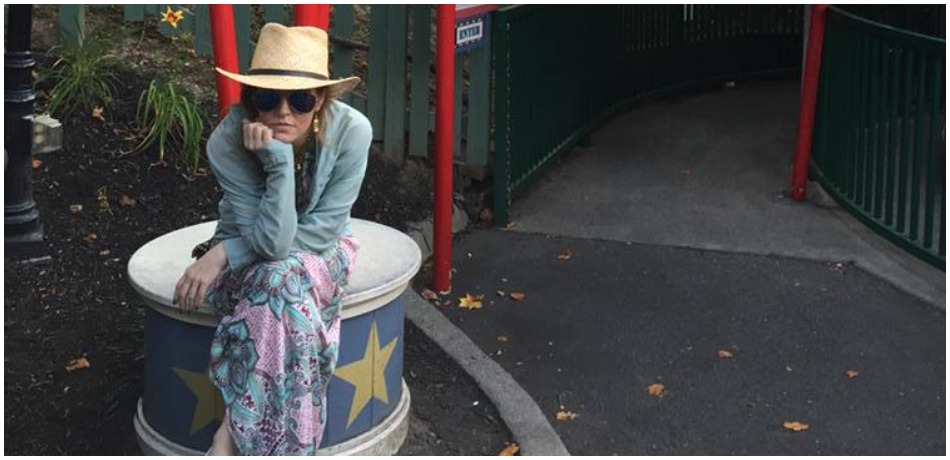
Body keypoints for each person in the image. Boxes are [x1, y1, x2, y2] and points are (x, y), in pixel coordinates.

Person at [172, 23, 371, 456]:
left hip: (323, 250)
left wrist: (224, 253)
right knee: (282, 290)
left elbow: (318, 233)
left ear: (318, 99)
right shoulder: (228, 141)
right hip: (257, 259)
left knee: (280, 282)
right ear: (251, 100)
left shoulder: (353, 132)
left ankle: (229, 431)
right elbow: (270, 243)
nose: (283, 112)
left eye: (299, 100)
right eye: (268, 97)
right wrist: (278, 165)